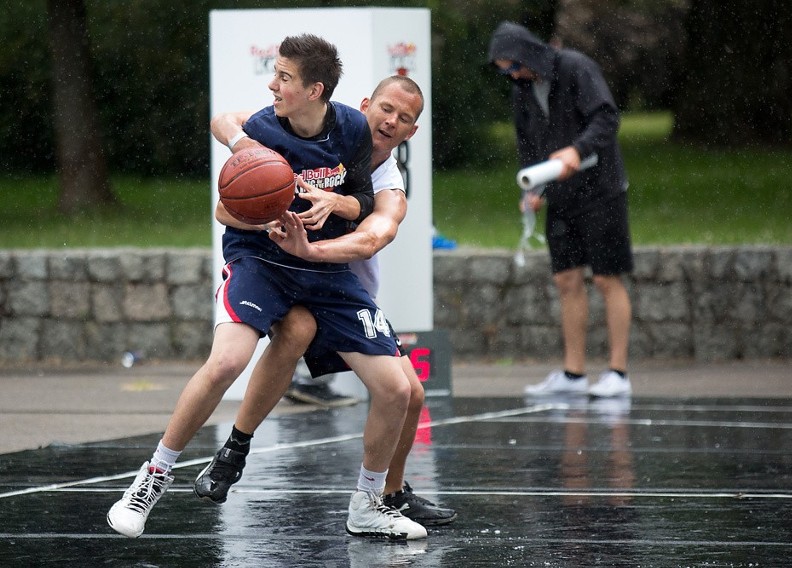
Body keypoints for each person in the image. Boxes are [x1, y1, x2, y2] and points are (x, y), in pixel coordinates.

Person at [107, 34, 426, 541]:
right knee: (230, 359)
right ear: (368, 105)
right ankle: (153, 477)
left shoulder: (355, 136)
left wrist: (331, 206)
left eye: (283, 77)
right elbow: (225, 205)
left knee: (399, 389)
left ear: (315, 89)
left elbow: (370, 215)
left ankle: (371, 502)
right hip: (264, 260)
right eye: (386, 110)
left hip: (329, 268)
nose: (272, 84)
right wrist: (267, 218)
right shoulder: (261, 131)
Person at [196, 75, 456, 527]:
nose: (392, 121)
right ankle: (234, 449)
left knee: (410, 393)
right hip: (281, 272)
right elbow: (225, 121)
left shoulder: (388, 183)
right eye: (387, 109)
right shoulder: (314, 136)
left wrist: (321, 236)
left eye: (405, 119)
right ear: (363, 106)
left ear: (412, 133)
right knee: (296, 332)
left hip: (337, 282)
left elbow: (374, 237)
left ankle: (389, 494)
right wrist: (245, 149)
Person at [488, 22, 634, 398]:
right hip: (561, 195)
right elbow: (528, 144)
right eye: (503, 70)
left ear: (526, 54)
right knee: (566, 280)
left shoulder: (575, 67)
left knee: (606, 277)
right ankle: (574, 374)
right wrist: (534, 188)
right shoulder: (522, 91)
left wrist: (577, 150)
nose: (511, 74)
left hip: (602, 189)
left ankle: (618, 373)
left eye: (512, 65)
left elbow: (607, 118)